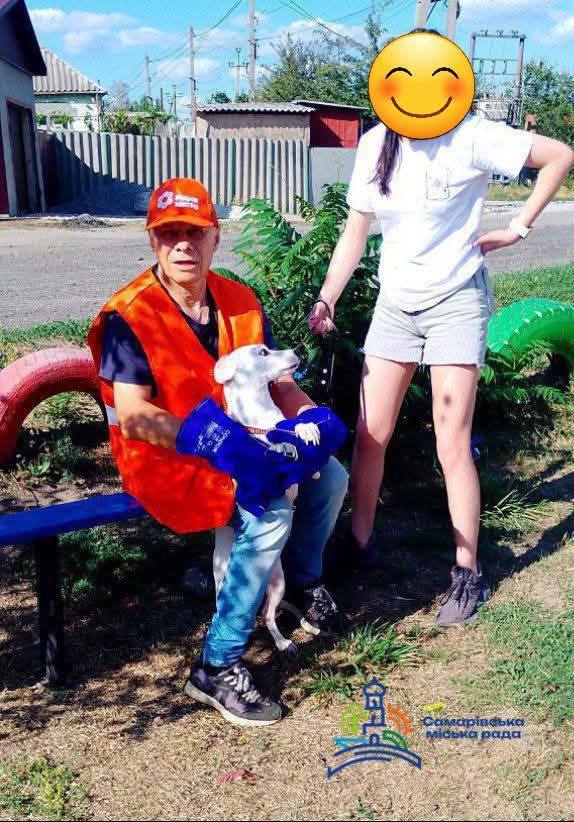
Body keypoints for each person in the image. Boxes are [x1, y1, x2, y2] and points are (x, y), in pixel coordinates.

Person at [309, 52, 574, 626]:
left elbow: (560, 155)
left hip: (456, 302)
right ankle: (359, 545)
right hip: (395, 306)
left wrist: (517, 228)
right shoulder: (375, 144)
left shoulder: (473, 135)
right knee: (370, 435)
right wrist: (328, 297)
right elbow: (355, 232)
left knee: (450, 441)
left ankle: (466, 571)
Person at [87, 178, 349, 726]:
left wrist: (309, 418)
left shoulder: (239, 300)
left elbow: (278, 380)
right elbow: (133, 415)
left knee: (331, 477)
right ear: (153, 240)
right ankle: (217, 664)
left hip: (245, 442)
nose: (183, 245)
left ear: (215, 238)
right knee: (270, 514)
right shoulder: (129, 315)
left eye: (195, 232)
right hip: (165, 455)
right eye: (169, 234)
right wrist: (217, 444)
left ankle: (302, 582)